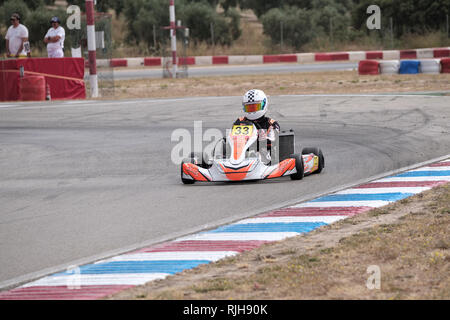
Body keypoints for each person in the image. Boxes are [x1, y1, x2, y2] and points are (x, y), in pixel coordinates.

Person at [233, 89, 280, 162]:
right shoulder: (240, 122)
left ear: (264, 104)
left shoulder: (271, 124)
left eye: (254, 107)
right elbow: (233, 140)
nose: (252, 111)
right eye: (249, 108)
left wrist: (263, 139)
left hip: (265, 156)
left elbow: (274, 142)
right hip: (242, 154)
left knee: (257, 153)